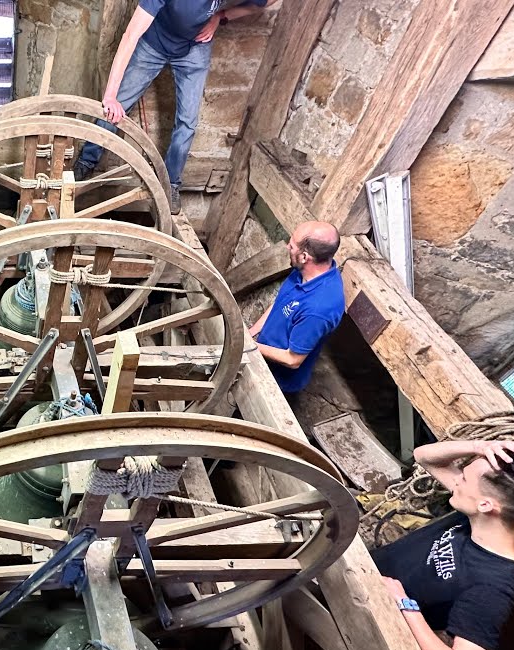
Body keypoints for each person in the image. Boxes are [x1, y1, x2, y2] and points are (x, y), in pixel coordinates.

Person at [373, 440, 514, 650]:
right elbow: (424, 457)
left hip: (376, 604)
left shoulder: (493, 589)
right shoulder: (499, 517)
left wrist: (404, 604)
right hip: (371, 567)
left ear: (486, 505)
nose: (457, 479)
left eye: (465, 477)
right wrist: (482, 447)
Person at [73, 0, 271, 214]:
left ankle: (171, 184)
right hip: (153, 44)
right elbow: (130, 35)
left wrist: (221, 16)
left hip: (194, 49)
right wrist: (110, 95)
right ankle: (86, 160)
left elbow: (268, 2)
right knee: (117, 105)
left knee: (188, 122)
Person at [247, 221, 344, 394]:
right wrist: (251, 333)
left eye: (291, 246)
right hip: (260, 352)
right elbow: (280, 303)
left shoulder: (319, 309)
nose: (286, 248)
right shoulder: (305, 271)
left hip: (277, 382)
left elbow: (293, 359)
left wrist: (248, 345)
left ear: (305, 257)